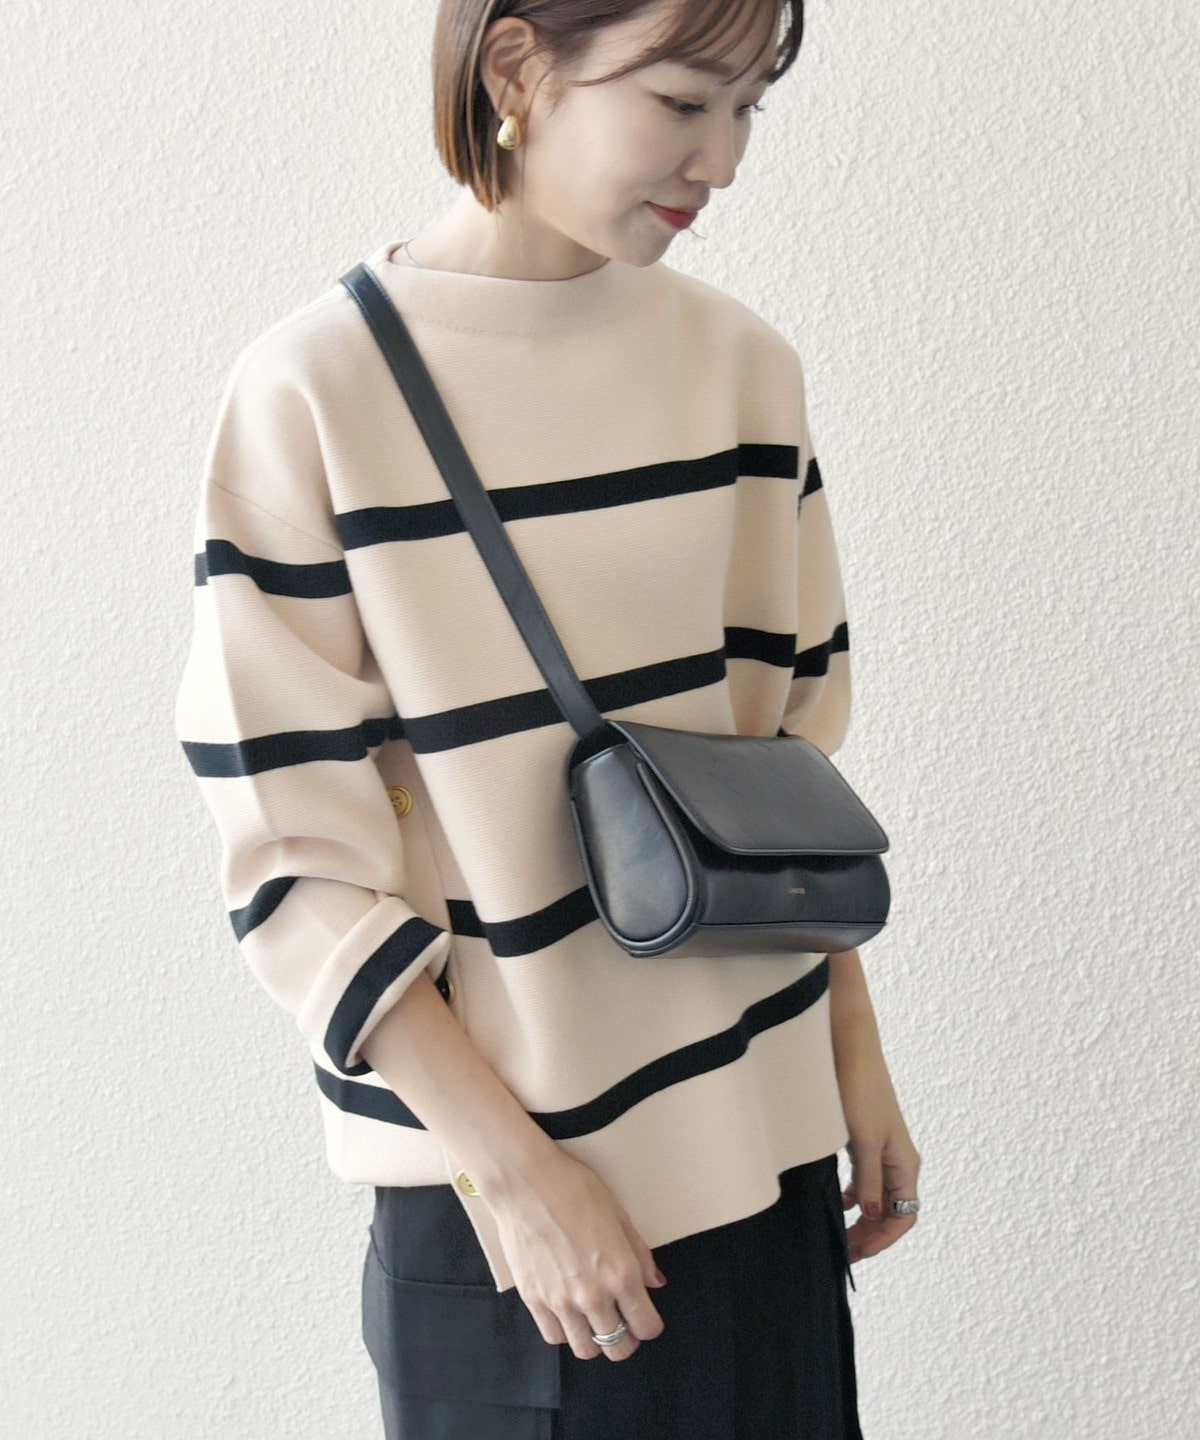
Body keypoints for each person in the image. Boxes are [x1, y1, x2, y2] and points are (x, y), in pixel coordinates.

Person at [175, 0, 922, 1435]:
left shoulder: (742, 369)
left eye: (748, 110)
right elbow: (295, 866)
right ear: (517, 67)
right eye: (681, 101)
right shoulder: (315, 395)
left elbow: (782, 768)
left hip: (770, 1163)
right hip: (515, 1220)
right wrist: (519, 1181)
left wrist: (853, 1057)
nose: (722, 159)